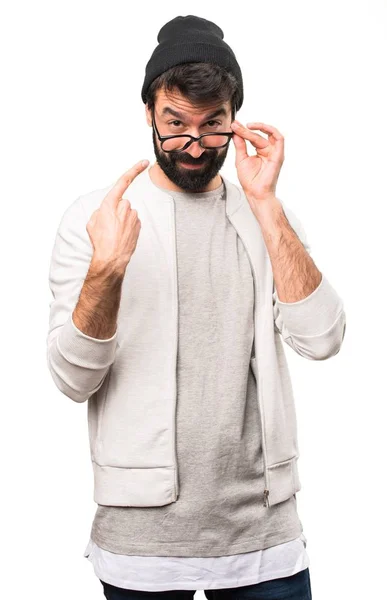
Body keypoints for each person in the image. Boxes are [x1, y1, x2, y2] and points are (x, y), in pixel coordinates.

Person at [47, 14, 346, 599]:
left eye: (212, 125)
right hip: (141, 542)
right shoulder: (97, 218)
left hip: (265, 536)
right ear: (149, 115)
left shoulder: (267, 217)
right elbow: (70, 378)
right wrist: (106, 271)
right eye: (175, 123)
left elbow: (324, 339)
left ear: (235, 121)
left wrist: (266, 204)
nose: (192, 144)